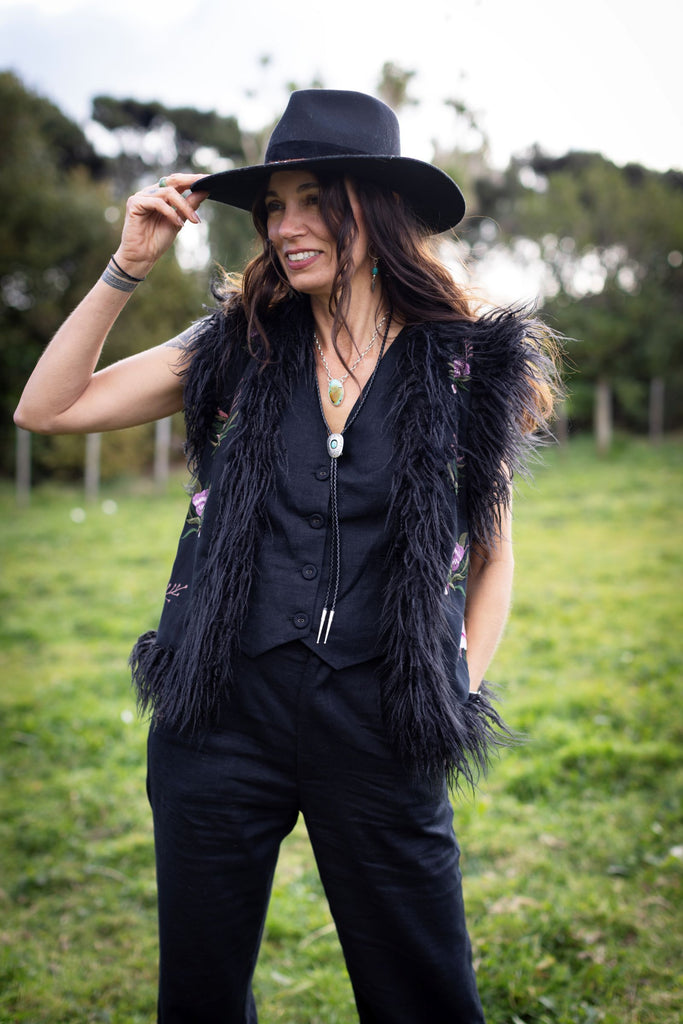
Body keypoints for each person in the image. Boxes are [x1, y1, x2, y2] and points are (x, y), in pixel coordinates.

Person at [15, 89, 559, 1024]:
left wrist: (448, 690)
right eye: (273, 206)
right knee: (200, 997)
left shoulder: (468, 365)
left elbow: (492, 556)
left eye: (314, 201)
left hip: (382, 726)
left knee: (425, 998)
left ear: (376, 210)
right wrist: (126, 267)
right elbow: (48, 408)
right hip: (218, 716)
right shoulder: (235, 343)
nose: (285, 226)